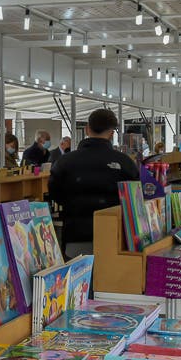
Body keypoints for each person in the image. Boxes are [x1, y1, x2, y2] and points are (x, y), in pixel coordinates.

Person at [48, 109, 140, 257]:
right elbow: (134, 200)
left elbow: (55, 194)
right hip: (115, 236)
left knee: (78, 277)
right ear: (111, 133)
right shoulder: (125, 163)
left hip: (76, 235)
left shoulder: (65, 162)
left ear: (87, 129)